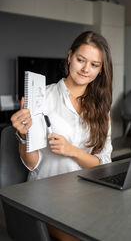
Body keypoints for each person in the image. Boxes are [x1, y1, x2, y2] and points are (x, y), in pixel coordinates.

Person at [11, 31, 113, 241]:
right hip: (47, 198)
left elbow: (103, 164)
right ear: (69, 56)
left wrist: (72, 151)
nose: (86, 69)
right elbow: (32, 165)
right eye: (80, 60)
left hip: (88, 196)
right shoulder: (42, 99)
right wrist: (23, 136)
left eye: (94, 65)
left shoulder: (101, 109)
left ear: (101, 70)